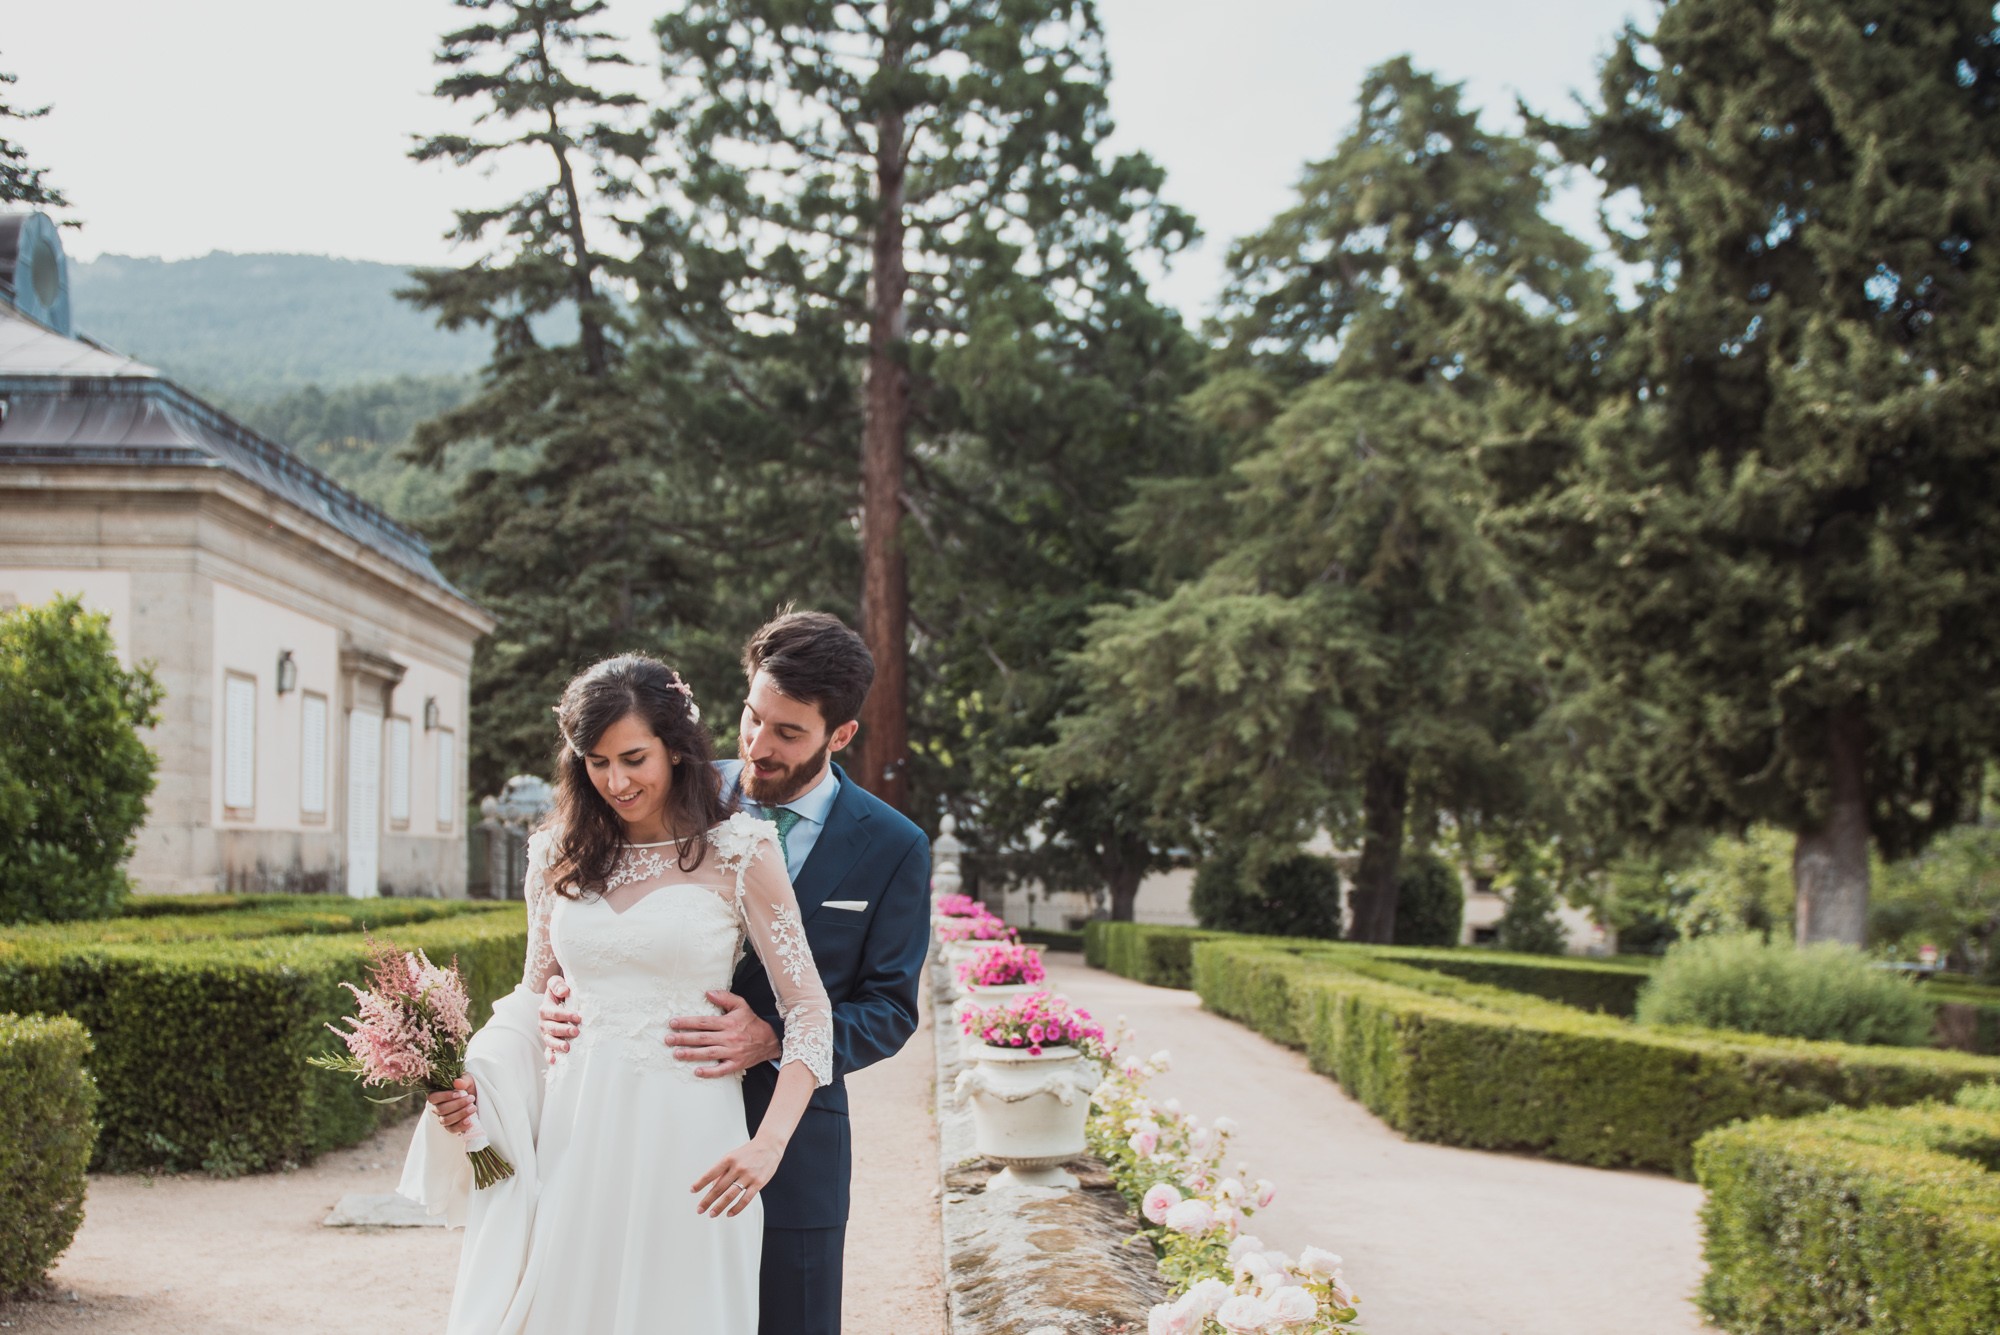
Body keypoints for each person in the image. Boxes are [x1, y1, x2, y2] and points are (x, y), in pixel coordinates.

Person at [412, 653, 835, 1334]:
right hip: (576, 1135)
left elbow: (810, 1009)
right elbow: (532, 996)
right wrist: (471, 1079)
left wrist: (770, 1143)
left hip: (696, 1143)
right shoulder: (557, 852)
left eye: (633, 757)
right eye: (596, 761)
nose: (615, 780)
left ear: (675, 746)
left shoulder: (740, 849)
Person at [538, 610, 932, 1335]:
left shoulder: (895, 846)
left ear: (839, 734)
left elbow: (890, 1007)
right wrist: (564, 992)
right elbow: (586, 913)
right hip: (635, 1128)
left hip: (795, 1146)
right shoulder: (657, 782)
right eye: (752, 717)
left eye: (787, 732)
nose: (757, 744)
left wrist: (772, 1037)